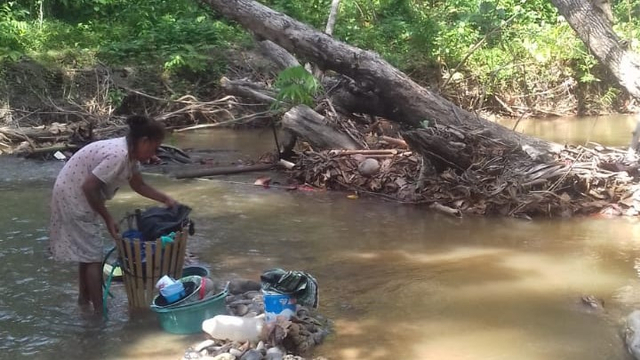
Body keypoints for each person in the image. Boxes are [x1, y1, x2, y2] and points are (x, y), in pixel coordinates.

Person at [49, 115, 177, 315]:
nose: (154, 153)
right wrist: (108, 218)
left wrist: (166, 199)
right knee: (94, 257)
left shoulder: (130, 156)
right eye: (154, 147)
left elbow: (139, 185)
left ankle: (84, 301)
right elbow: (89, 186)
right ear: (143, 141)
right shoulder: (118, 155)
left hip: (73, 191)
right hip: (73, 194)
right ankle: (99, 313)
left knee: (87, 252)